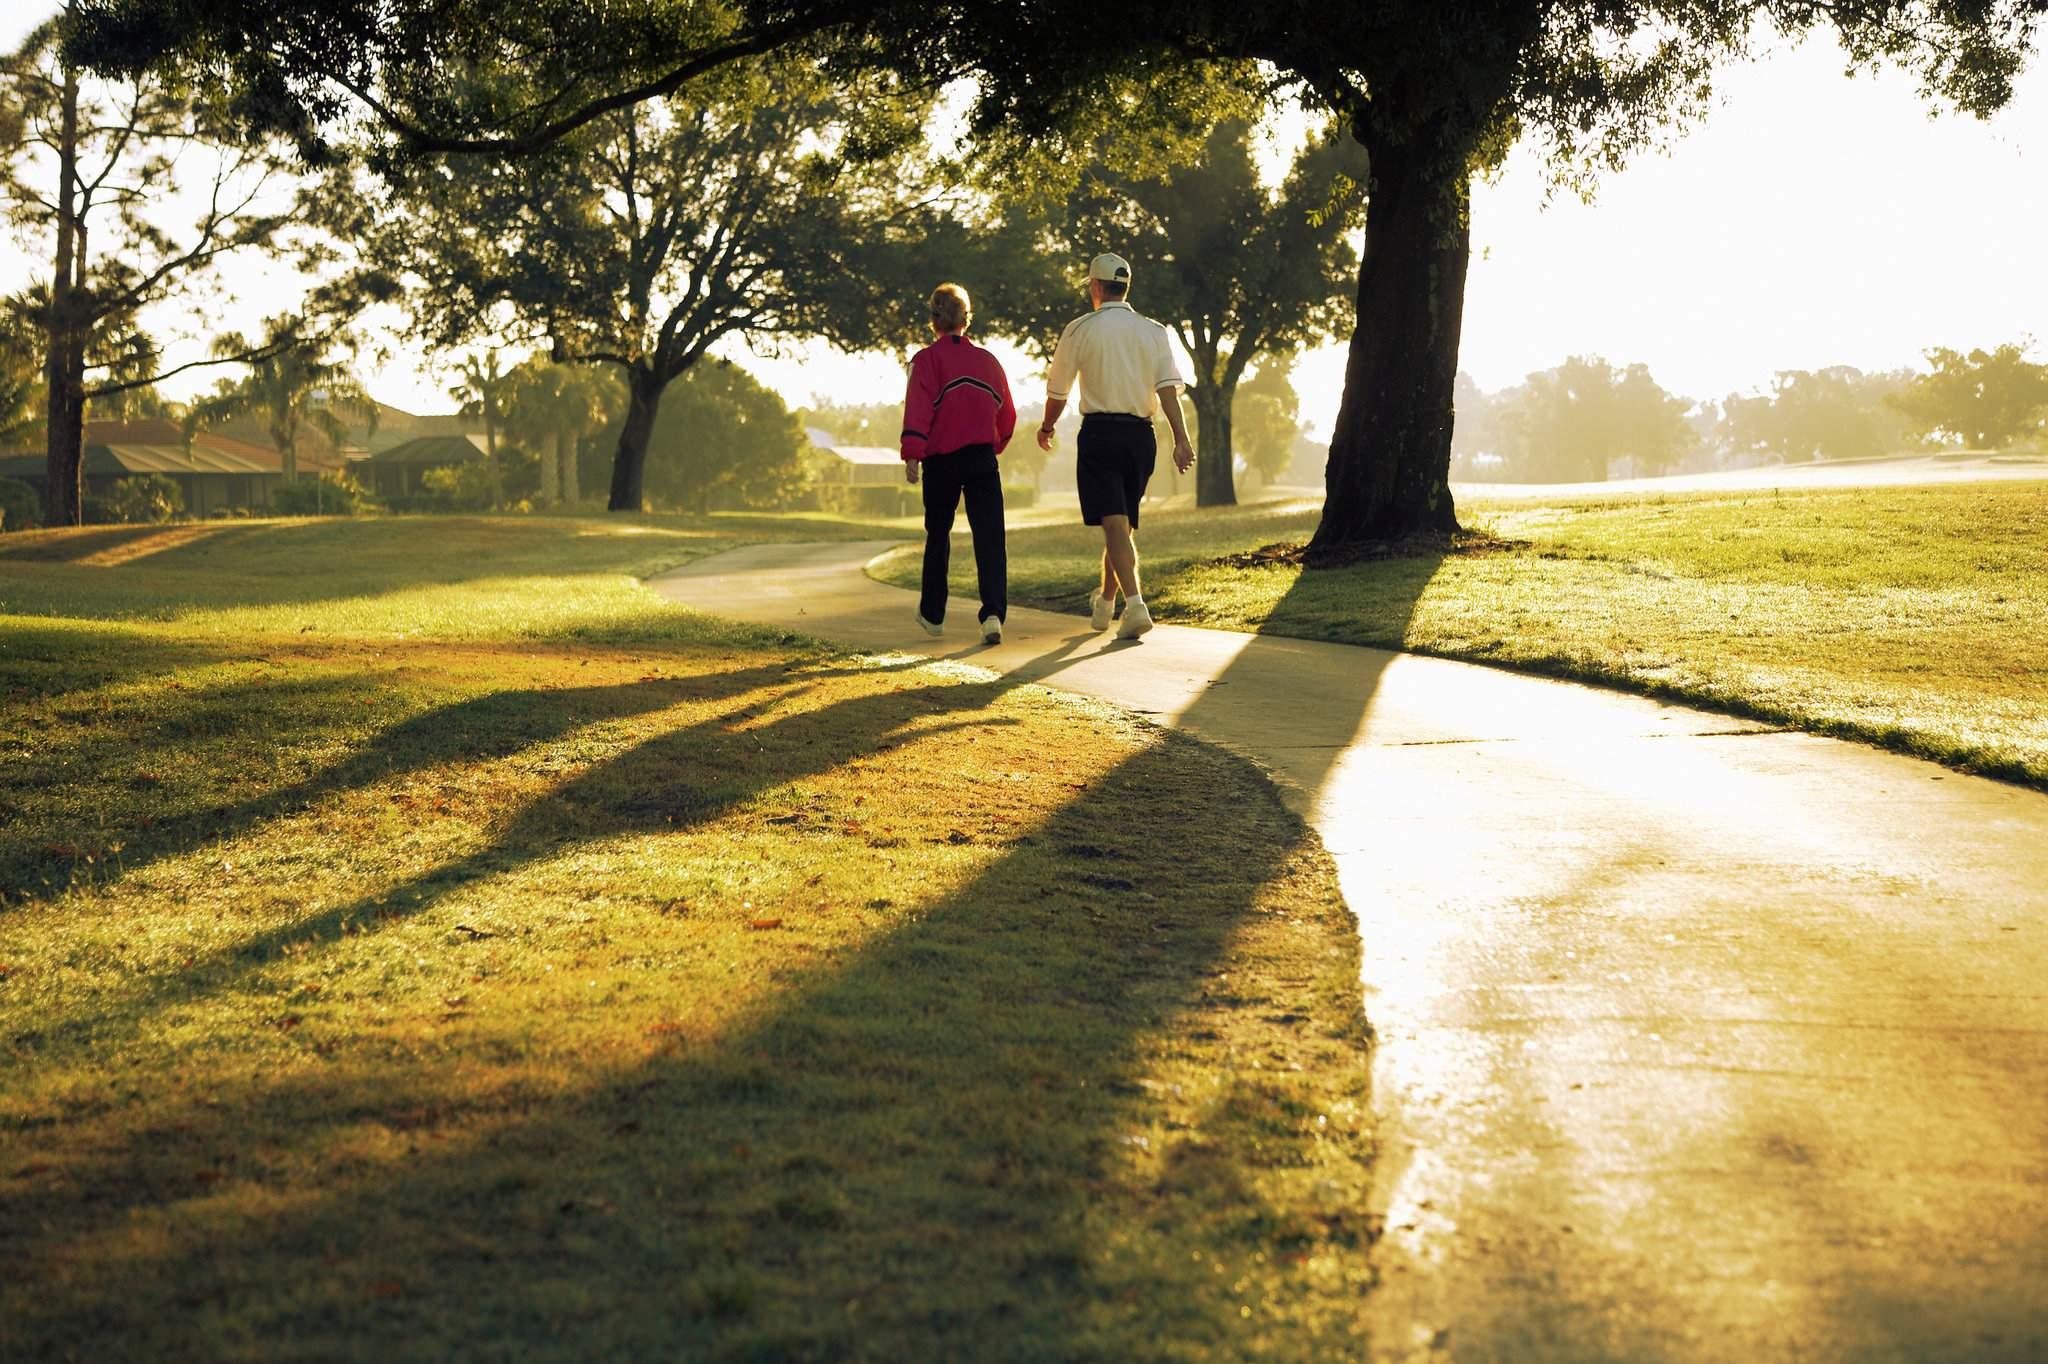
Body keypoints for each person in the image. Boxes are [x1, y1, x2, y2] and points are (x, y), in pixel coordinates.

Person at [1036, 253, 1195, 640]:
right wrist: (1181, 439)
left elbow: (1058, 390)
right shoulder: (1154, 331)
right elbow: (1168, 391)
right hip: (1142, 439)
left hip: (1100, 436)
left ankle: (1136, 605)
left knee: (1114, 523)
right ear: (1126, 286)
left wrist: (1047, 425)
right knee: (1120, 523)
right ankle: (1106, 601)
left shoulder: (1079, 329)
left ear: (1095, 286)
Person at [900, 281, 1016, 645]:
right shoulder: (988, 362)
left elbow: (918, 409)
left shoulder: (926, 361)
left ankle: (934, 614)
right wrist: (992, 444)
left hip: (941, 460)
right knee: (990, 537)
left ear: (934, 320)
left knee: (938, 534)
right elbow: (1007, 415)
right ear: (967, 319)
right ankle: (993, 614)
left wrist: (912, 454)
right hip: (981, 457)